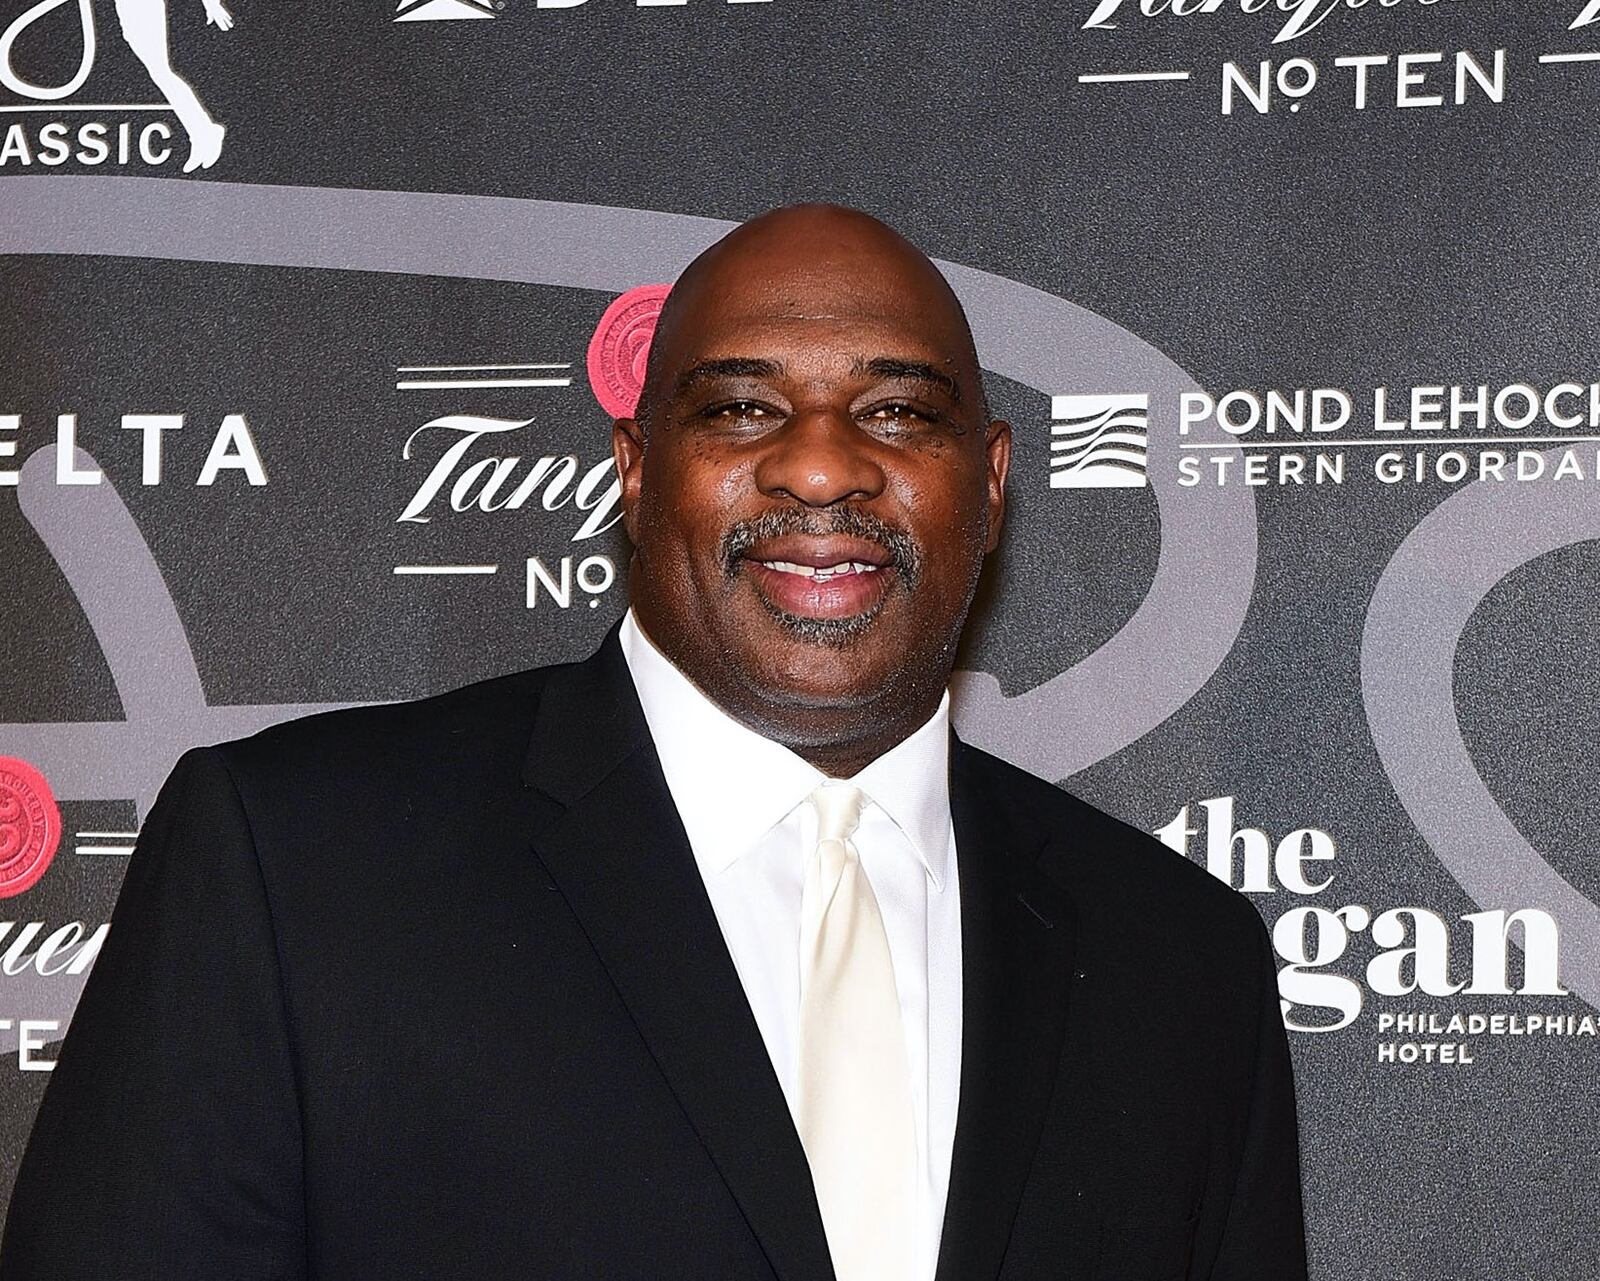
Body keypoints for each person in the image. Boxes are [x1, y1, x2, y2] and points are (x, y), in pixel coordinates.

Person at [0, 204, 1307, 1280]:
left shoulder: (1179, 966)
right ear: (633, 469)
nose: (819, 467)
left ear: (996, 479)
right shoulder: (296, 869)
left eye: (899, 412)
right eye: (741, 409)